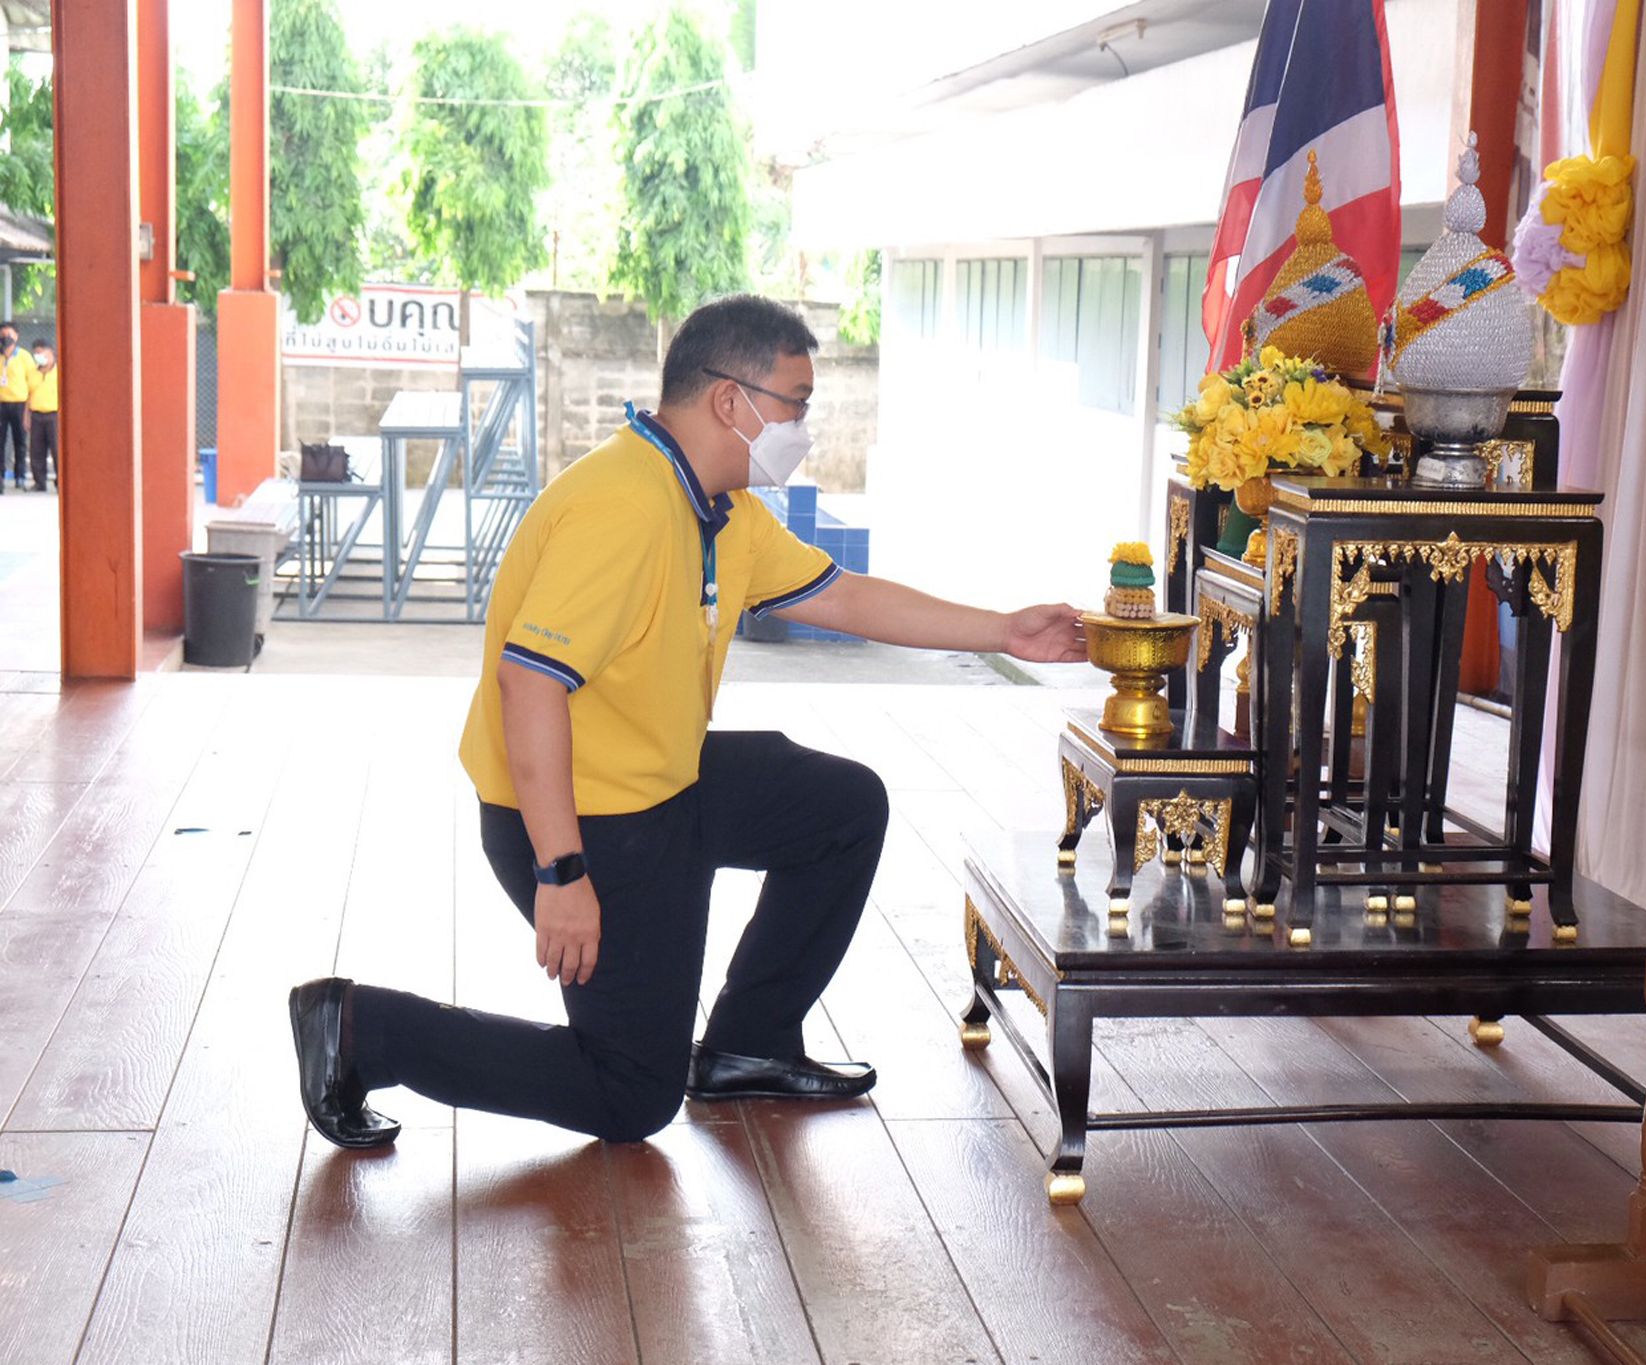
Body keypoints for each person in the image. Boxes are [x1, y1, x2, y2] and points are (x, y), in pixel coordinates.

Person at [288, 294, 1086, 1149]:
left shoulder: (720, 507)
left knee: (842, 808)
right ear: (730, 401)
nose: (803, 426)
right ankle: (361, 1030)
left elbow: (841, 595)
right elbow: (529, 684)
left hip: (663, 780)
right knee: (631, 1094)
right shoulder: (621, 509)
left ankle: (749, 1043)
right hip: (575, 817)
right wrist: (561, 874)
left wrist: (1005, 629)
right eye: (796, 404)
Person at [0, 324, 31, 492]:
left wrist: (28, 409)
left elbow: (31, 383)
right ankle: (1, 478)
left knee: (20, 442)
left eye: (9, 334)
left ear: (17, 336)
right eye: (3, 334)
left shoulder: (24, 357)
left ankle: (20, 478)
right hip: (1, 404)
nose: (6, 337)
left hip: (19, 404)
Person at [26, 339, 55, 492]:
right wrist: (27, 417)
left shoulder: (59, 371)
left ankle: (60, 482)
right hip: (37, 415)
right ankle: (39, 482)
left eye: (39, 353)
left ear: (49, 352)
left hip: (54, 415)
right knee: (36, 450)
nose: (37, 356)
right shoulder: (33, 372)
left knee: (57, 450)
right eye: (35, 353)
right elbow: (28, 395)